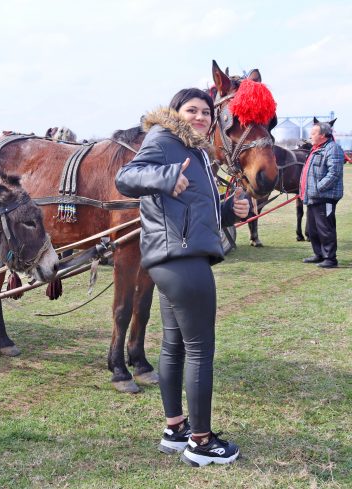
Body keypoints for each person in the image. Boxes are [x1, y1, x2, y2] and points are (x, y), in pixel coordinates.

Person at [115, 88, 251, 467]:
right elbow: (126, 177)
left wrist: (228, 210)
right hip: (182, 259)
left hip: (175, 255)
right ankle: (202, 443)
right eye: (192, 110)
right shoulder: (164, 139)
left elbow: (191, 207)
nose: (201, 117)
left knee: (175, 346)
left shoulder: (195, 151)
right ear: (176, 112)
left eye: (206, 111)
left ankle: (175, 430)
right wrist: (166, 176)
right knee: (200, 349)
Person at [299, 121, 344, 268]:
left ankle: (330, 259)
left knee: (325, 229)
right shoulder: (316, 149)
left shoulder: (333, 149)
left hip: (324, 197)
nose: (310, 136)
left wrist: (318, 188)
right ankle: (319, 254)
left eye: (313, 133)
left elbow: (334, 173)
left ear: (323, 135)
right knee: (313, 229)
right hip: (313, 197)